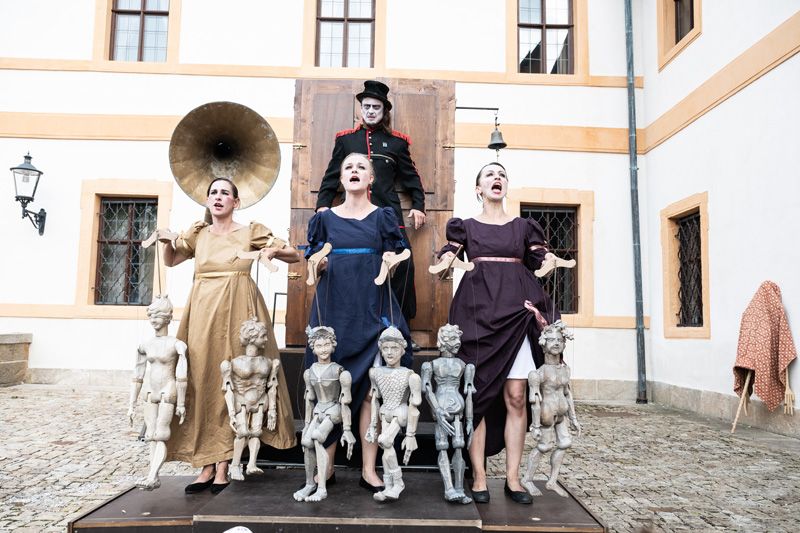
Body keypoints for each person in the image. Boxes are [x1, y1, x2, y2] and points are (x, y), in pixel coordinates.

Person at [158, 177, 300, 495]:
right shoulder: (198, 233)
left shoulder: (250, 231)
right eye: (213, 192)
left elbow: (293, 254)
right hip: (202, 310)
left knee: (236, 379)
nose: (218, 196)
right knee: (203, 378)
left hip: (240, 307)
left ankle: (225, 464)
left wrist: (271, 251)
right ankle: (206, 464)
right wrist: (167, 241)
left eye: (225, 193)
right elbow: (171, 260)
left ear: (236, 202)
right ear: (207, 200)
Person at [436, 162, 559, 505]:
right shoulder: (466, 226)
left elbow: (539, 257)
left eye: (502, 174)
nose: (497, 178)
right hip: (477, 316)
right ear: (478, 188)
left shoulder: (523, 227)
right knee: (477, 396)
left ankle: (513, 478)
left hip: (516, 314)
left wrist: (548, 260)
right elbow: (449, 253)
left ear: (506, 185)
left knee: (517, 395)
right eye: (489, 175)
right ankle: (478, 476)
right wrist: (444, 261)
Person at [305, 152, 414, 493]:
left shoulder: (383, 216)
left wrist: (391, 260)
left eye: (361, 167)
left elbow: (397, 255)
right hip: (334, 307)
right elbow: (312, 258)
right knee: (329, 389)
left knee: (370, 391)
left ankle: (369, 469)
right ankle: (327, 468)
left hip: (371, 306)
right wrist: (318, 264)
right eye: (348, 167)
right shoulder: (324, 218)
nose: (354, 171)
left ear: (371, 179)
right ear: (341, 179)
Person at [316, 80, 425, 333]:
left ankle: (400, 329)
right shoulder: (346, 140)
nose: (371, 111)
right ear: (361, 109)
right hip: (352, 217)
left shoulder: (397, 143)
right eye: (367, 106)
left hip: (388, 216)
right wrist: (322, 205)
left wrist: (418, 205)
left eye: (376, 107)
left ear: (384, 111)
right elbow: (331, 176)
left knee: (404, 266)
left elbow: (411, 178)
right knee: (355, 267)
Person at [127, 295, 187, 490]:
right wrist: (131, 404)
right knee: (151, 434)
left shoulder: (176, 344)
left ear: (168, 317)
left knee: (161, 433)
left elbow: (182, 375)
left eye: (158, 315)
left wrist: (181, 403)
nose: (153, 319)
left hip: (167, 390)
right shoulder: (145, 345)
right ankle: (152, 475)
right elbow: (137, 375)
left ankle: (153, 475)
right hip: (150, 390)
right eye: (151, 315)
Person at [294, 326, 356, 502]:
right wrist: (307, 424)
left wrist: (347, 429)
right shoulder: (309, 372)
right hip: (318, 410)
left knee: (317, 438)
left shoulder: (340, 372)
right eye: (319, 346)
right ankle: (309, 484)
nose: (323, 349)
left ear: (332, 345)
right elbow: (309, 399)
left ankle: (322, 487)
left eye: (327, 344)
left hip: (333, 411)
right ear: (313, 348)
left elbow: (345, 401)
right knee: (306, 441)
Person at [521, 320, 581, 498]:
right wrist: (535, 426)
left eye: (560, 340)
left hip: (561, 414)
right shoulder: (538, 373)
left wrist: (573, 418)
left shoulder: (565, 369)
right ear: (543, 344)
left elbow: (568, 393)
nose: (556, 343)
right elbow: (535, 400)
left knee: (565, 443)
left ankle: (552, 480)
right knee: (544, 446)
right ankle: (527, 479)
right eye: (552, 340)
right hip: (547, 414)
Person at [365, 326, 422, 502]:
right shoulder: (375, 373)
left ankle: (398, 482)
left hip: (400, 413)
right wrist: (372, 424)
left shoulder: (410, 376)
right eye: (386, 348)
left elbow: (414, 406)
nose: (389, 352)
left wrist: (411, 434)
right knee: (385, 449)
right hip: (385, 412)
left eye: (394, 348)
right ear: (381, 350)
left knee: (384, 441)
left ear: (402, 350)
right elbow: (374, 399)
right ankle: (388, 486)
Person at [220, 318, 280, 482]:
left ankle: (252, 463)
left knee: (256, 432)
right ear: (252, 338)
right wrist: (231, 413)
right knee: (242, 432)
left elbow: (272, 386)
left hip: (260, 401)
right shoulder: (233, 363)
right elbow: (228, 389)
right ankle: (234, 465)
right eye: (263, 336)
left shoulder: (269, 363)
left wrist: (273, 410)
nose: (266, 339)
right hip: (241, 400)